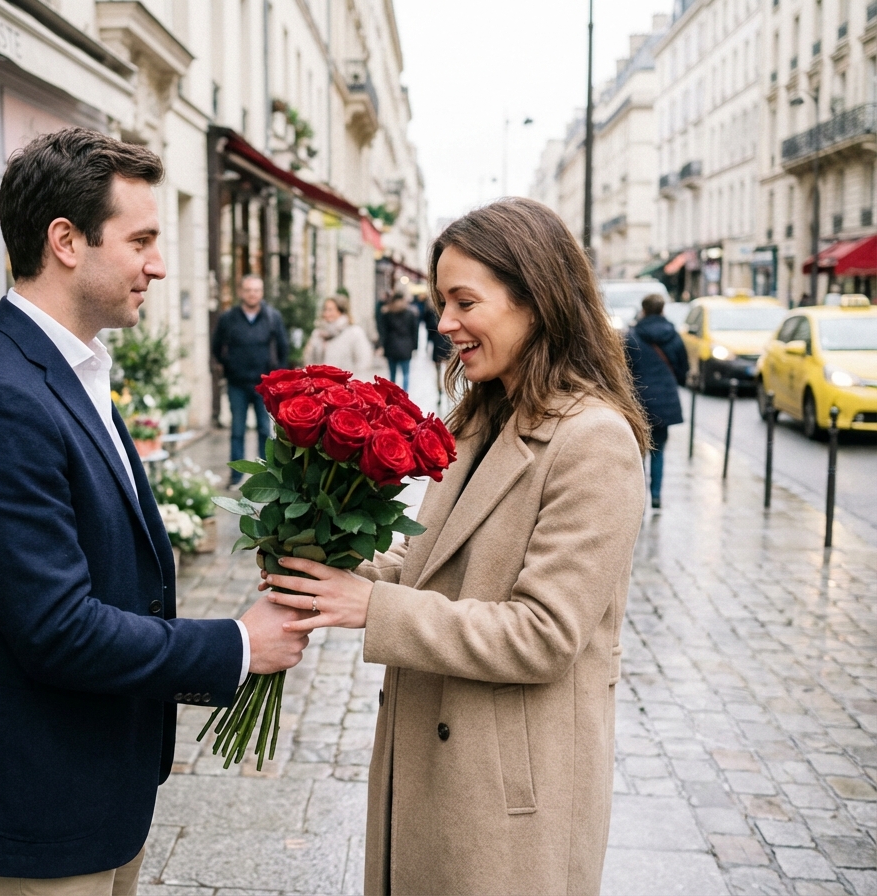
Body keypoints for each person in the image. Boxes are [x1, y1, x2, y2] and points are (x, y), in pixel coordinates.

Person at [0, 128, 309, 895]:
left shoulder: (71, 365)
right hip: (41, 808)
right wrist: (235, 644)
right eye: (142, 241)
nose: (158, 264)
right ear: (66, 241)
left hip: (100, 786)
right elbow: (58, 630)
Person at [261, 198, 649, 896]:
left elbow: (543, 634)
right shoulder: (483, 414)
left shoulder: (593, 440)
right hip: (434, 765)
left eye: (463, 301)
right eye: (442, 301)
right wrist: (328, 566)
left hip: (503, 799)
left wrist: (370, 606)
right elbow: (434, 560)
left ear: (536, 300)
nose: (443, 324)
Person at [211, 275, 290, 486]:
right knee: (237, 430)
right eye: (248, 290)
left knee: (265, 430)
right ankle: (236, 475)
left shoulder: (272, 317)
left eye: (256, 290)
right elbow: (216, 345)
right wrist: (227, 364)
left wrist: (277, 377)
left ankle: (266, 475)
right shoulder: (229, 318)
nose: (252, 294)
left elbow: (283, 347)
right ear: (241, 292)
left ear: (262, 292)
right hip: (237, 383)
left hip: (263, 385)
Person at [625, 293, 689, 510]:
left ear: (643, 310)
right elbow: (683, 369)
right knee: (659, 449)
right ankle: (656, 496)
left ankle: (639, 497)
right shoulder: (673, 335)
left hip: (640, 401)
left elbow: (625, 372)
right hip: (665, 401)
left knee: (639, 450)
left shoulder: (632, 336)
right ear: (662, 310)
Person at [303, 293, 373, 376]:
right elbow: (309, 360)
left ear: (341, 311)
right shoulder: (318, 333)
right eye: (325, 309)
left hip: (344, 385)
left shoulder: (354, 332)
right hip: (320, 385)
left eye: (330, 310)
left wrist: (350, 382)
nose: (326, 313)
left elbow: (364, 361)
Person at [379, 290, 419, 390]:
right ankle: (404, 396)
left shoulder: (387, 314)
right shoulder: (410, 314)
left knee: (392, 374)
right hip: (406, 347)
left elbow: (383, 331)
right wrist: (414, 347)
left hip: (391, 346)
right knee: (406, 374)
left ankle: (392, 394)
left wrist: (382, 346)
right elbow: (415, 331)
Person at [420, 300, 452, 402]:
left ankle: (441, 391)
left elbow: (428, 328)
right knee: (447, 370)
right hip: (446, 343)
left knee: (439, 370)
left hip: (438, 344)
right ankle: (446, 391)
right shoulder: (447, 312)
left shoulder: (431, 312)